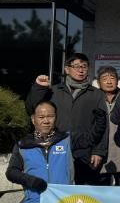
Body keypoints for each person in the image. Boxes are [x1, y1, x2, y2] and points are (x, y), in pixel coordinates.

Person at [25, 53, 107, 186]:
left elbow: (103, 125)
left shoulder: (97, 94)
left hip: (85, 151)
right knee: (58, 186)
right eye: (76, 66)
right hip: (57, 147)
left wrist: (99, 151)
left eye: (84, 66)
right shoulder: (54, 91)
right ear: (67, 69)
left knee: (84, 191)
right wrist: (39, 88)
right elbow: (32, 108)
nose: (80, 70)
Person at [96, 66, 120, 185]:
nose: (109, 82)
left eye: (112, 78)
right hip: (100, 151)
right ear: (99, 82)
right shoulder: (94, 98)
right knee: (101, 189)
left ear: (117, 81)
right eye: (104, 78)